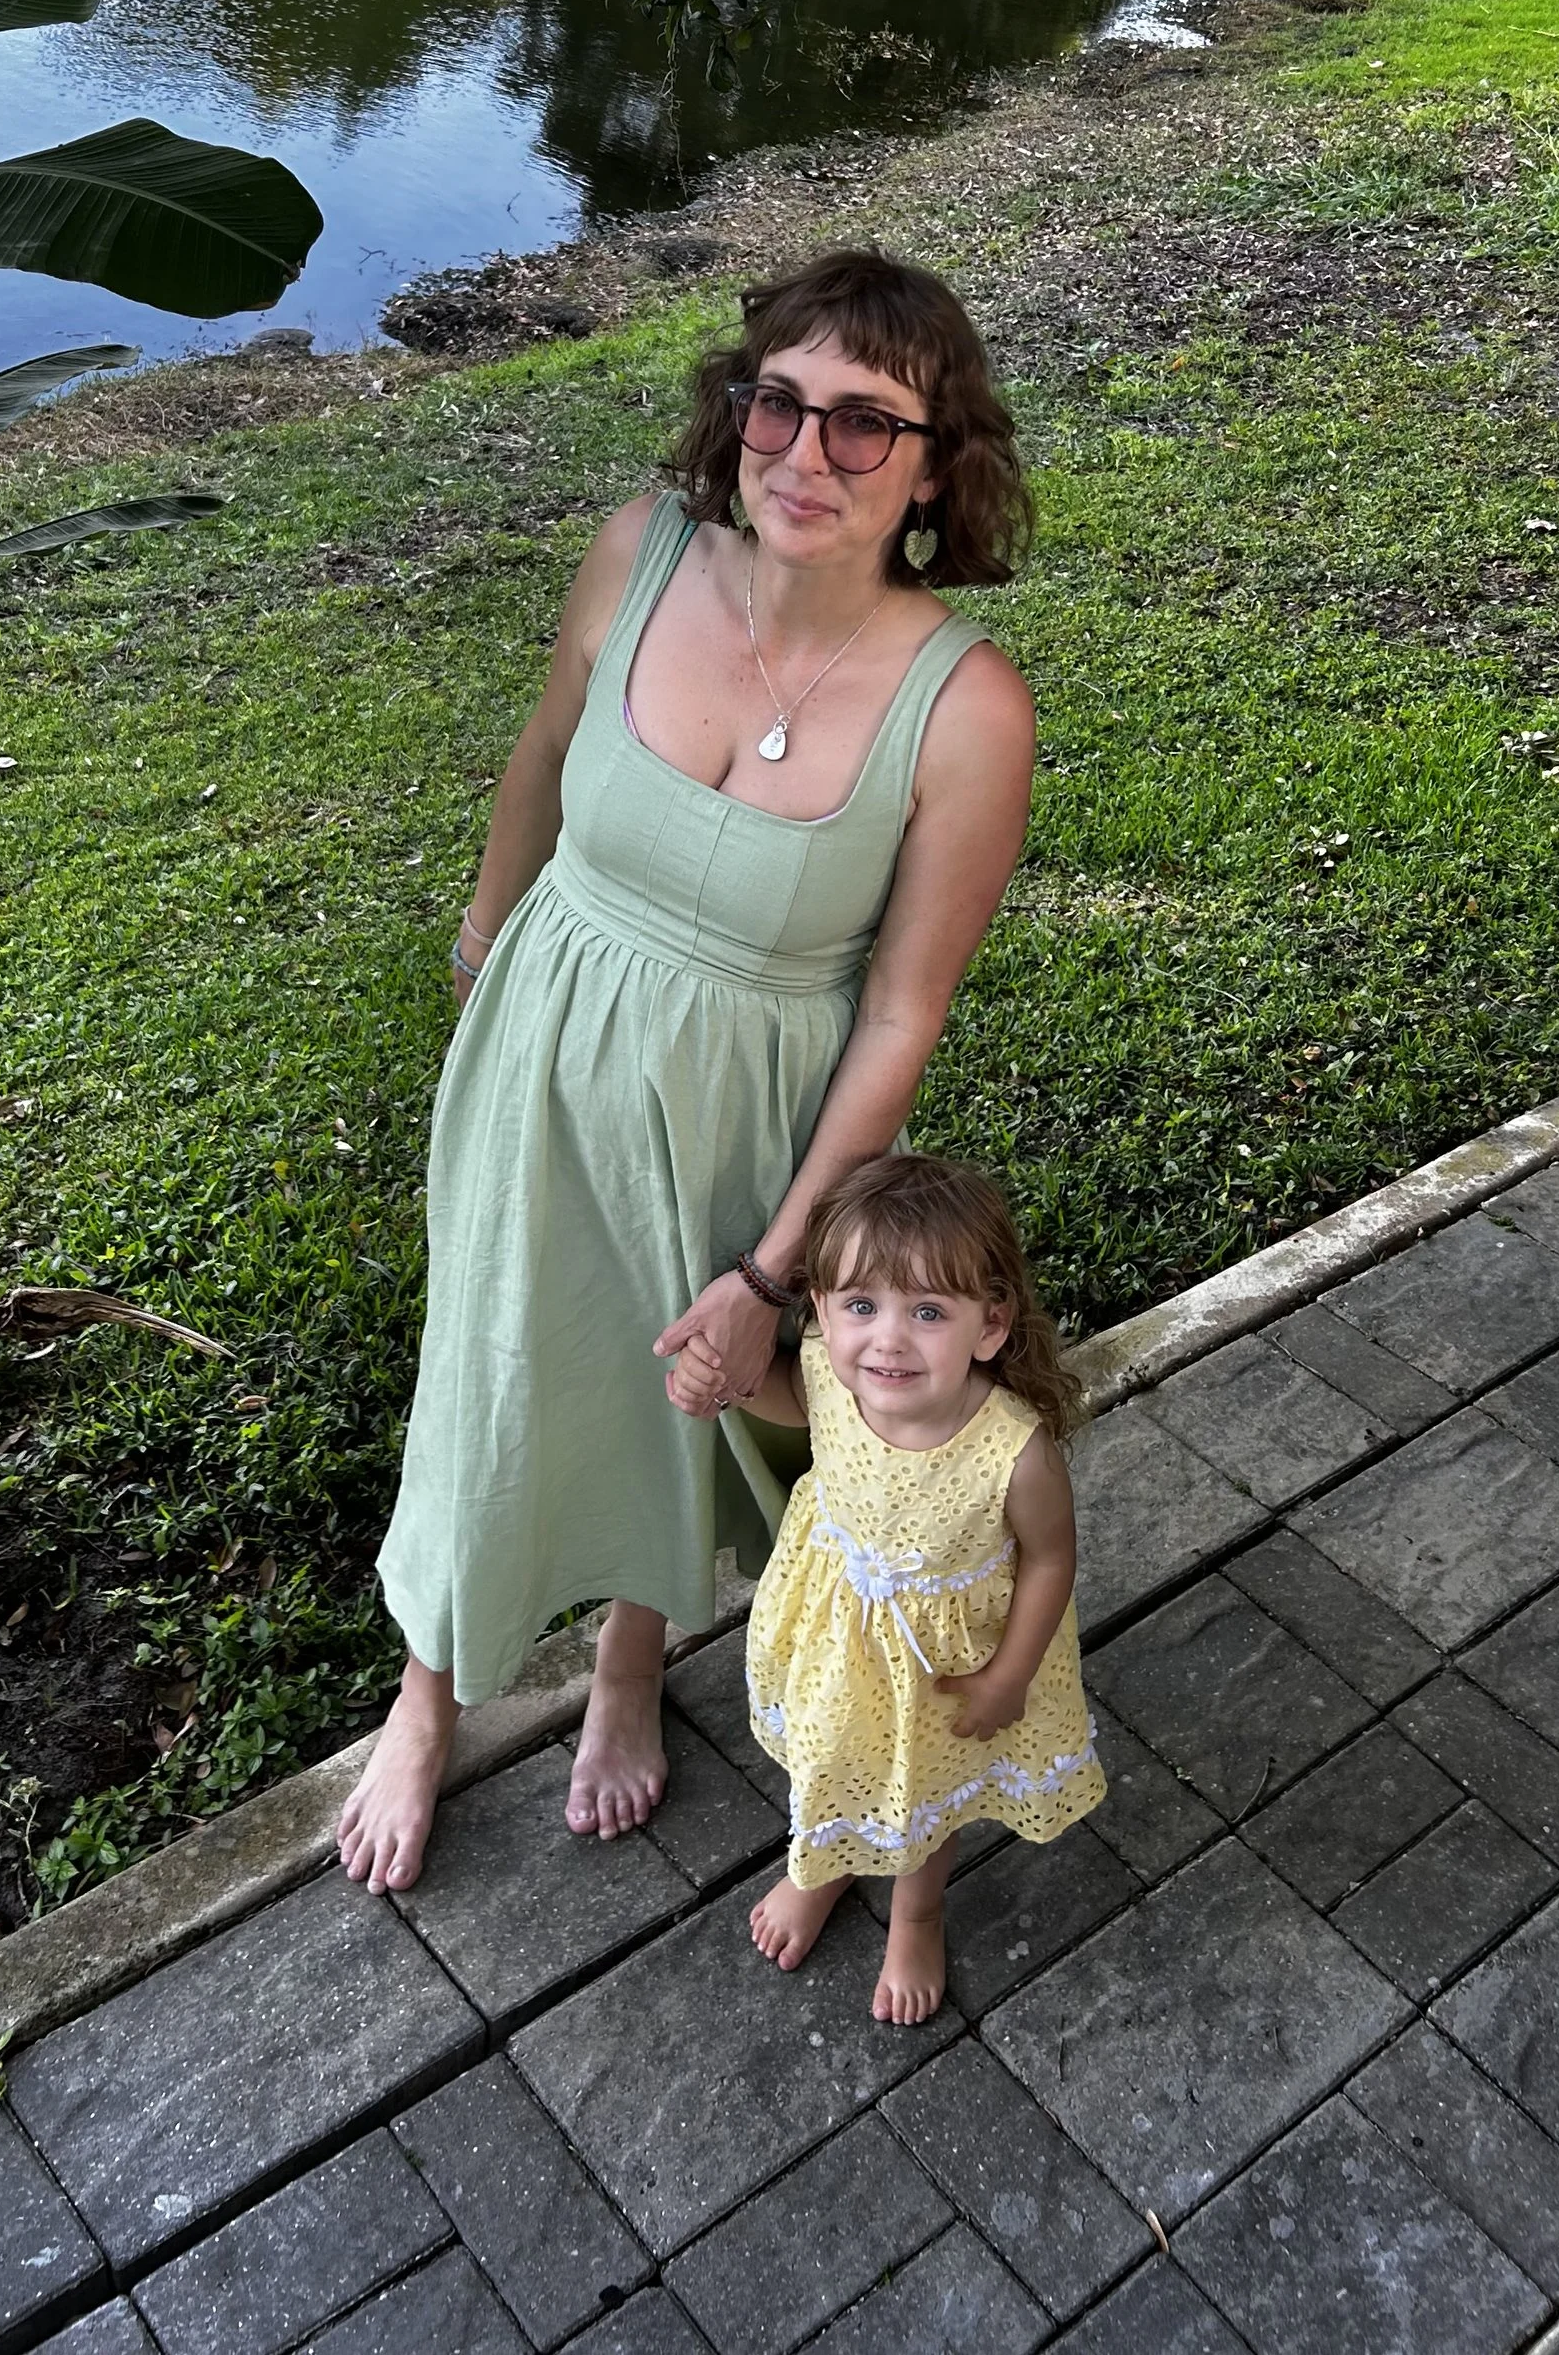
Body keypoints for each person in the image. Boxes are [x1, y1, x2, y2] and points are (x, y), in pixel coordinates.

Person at [336, 251, 1038, 1895]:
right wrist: (481, 939)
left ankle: (634, 1655)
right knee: (497, 1357)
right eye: (778, 402)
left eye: (867, 424)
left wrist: (771, 1263)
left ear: (937, 469)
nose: (805, 451)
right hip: (545, 1030)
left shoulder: (966, 709)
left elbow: (900, 1013)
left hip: (756, 1090)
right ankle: (427, 1686)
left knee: (686, 1380)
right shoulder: (634, 558)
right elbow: (540, 751)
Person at [695, 1150, 1100, 2025]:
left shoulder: (1013, 1449)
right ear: (822, 1310)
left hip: (948, 1666)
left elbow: (1052, 1560)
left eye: (928, 1310)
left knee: (926, 1788)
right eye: (861, 1306)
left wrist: (1010, 1676)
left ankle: (916, 1913)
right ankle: (830, 1863)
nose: (887, 1338)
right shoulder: (833, 1379)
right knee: (837, 1753)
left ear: (989, 1324)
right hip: (839, 1634)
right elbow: (780, 1396)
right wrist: (721, 1380)